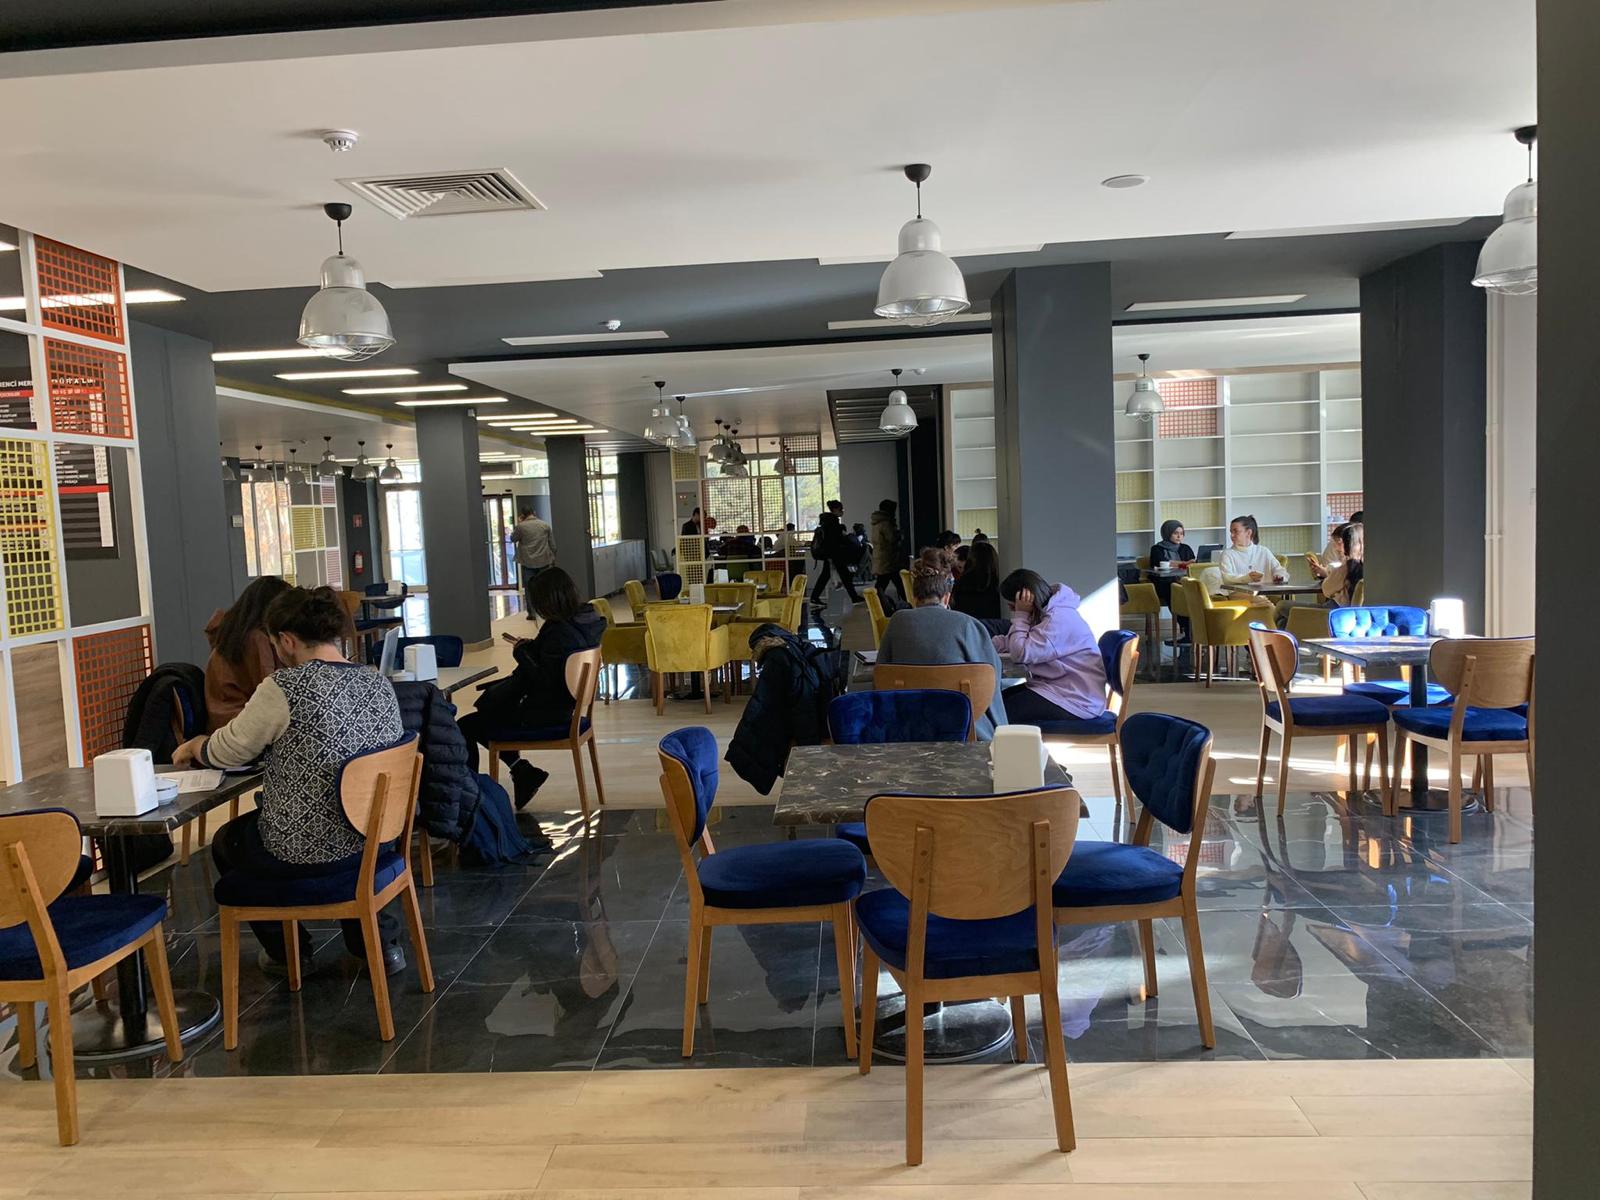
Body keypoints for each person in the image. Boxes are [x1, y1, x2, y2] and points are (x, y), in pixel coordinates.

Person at [174, 586, 409, 975]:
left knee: (228, 842)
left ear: (286, 640)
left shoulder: (284, 687)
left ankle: (289, 954)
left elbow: (228, 751)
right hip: (376, 838)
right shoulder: (376, 682)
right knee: (345, 834)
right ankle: (380, 946)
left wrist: (196, 745)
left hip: (305, 849)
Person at [457, 567, 605, 809]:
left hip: (545, 714)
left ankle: (469, 799)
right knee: (487, 719)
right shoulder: (585, 622)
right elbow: (556, 665)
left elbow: (544, 681)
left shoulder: (558, 632)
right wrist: (533, 648)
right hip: (567, 708)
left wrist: (522, 653)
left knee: (466, 726)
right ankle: (521, 771)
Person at [877, 547, 1008, 738]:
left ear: (914, 597)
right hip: (965, 728)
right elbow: (991, 678)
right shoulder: (968, 625)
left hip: (909, 726)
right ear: (947, 596)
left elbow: (881, 676)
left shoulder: (897, 622)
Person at [993, 569, 1107, 724]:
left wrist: (1021, 615)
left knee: (997, 715)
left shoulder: (1057, 620)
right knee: (995, 703)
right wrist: (982, 643)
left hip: (1076, 699)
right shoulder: (1050, 614)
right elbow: (1013, 641)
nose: (1012, 611)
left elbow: (1020, 653)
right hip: (1059, 688)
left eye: (1013, 607)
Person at [203, 575, 292, 731]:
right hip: (244, 727)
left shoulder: (232, 633)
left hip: (223, 724)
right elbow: (273, 693)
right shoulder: (256, 640)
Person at [808, 500, 863, 608]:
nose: (842, 511)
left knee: (828, 576)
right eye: (841, 509)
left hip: (831, 555)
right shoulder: (832, 523)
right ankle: (854, 598)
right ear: (835, 509)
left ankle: (814, 598)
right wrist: (845, 537)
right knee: (843, 576)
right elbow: (834, 541)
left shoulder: (826, 522)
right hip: (834, 555)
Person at [510, 505, 556, 621]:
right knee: (544, 587)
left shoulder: (521, 527)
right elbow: (553, 545)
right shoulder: (545, 525)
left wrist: (519, 523)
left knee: (529, 588)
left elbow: (513, 539)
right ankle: (546, 610)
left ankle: (532, 613)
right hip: (544, 561)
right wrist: (553, 558)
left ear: (522, 515)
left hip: (528, 562)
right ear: (534, 512)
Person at [1218, 514, 1288, 588]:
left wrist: (1279, 576)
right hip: (1239, 592)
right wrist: (1248, 578)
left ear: (1248, 533)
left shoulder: (1263, 551)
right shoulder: (1227, 554)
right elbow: (1227, 579)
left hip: (1265, 591)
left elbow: (1279, 570)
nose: (1232, 535)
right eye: (1231, 532)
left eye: (1236, 531)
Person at [950, 538, 1003, 621]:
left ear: (970, 561)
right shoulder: (999, 585)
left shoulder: (961, 585)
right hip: (993, 626)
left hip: (968, 625)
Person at [1148, 520, 1196, 606]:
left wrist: (1186, 564)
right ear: (1167, 533)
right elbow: (1162, 563)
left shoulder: (1185, 548)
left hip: (1184, 579)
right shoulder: (1156, 549)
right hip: (1164, 582)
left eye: (1181, 533)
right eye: (1175, 533)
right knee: (1172, 586)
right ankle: (1180, 613)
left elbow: (1193, 564)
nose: (1179, 536)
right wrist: (1185, 563)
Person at [869, 498, 907, 605]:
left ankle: (875, 602)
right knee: (893, 582)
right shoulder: (886, 523)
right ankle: (908, 601)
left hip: (881, 557)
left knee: (884, 582)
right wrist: (900, 534)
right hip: (889, 558)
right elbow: (892, 539)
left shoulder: (876, 523)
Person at [1319, 522, 1364, 606]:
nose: (1336, 547)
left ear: (1347, 545)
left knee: (1290, 606)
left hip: (1337, 611)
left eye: (1340, 542)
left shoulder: (1347, 567)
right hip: (1363, 612)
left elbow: (1326, 590)